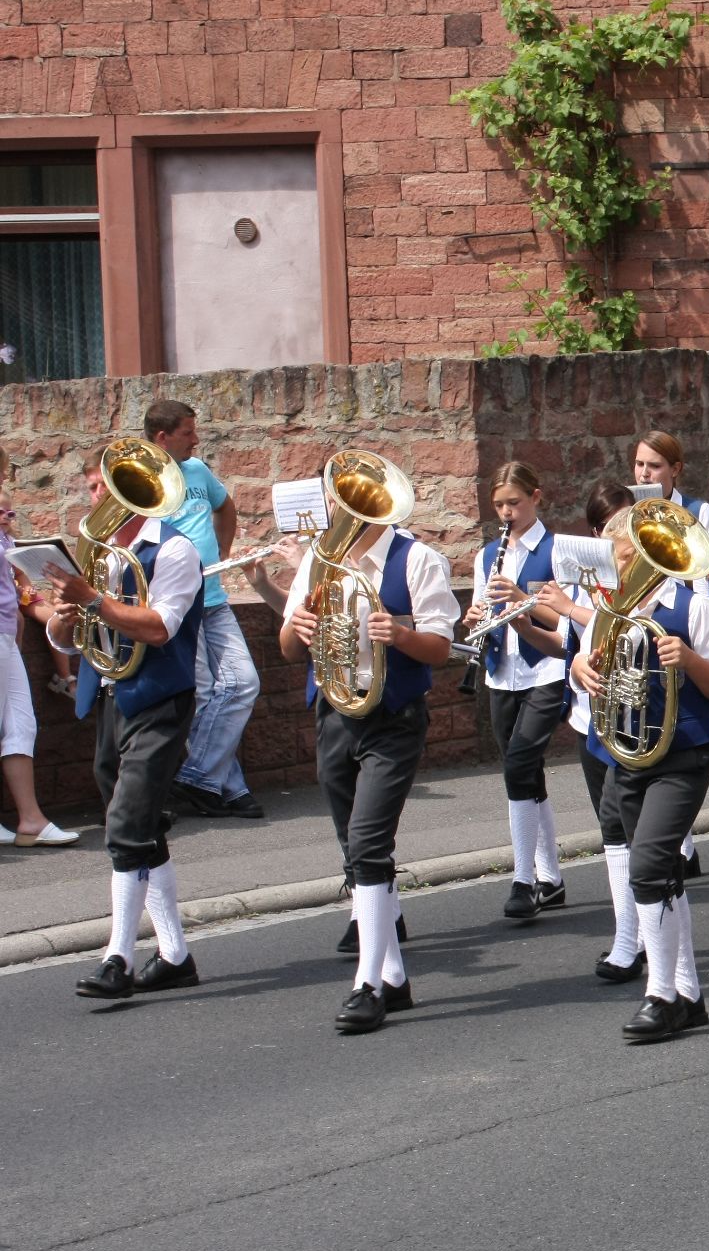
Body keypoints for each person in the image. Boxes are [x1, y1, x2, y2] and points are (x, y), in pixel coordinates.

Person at [277, 460, 459, 1033]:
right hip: (335, 712)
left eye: (348, 502)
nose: (338, 511)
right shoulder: (318, 559)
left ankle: (368, 983)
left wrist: (399, 634)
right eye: (336, 500)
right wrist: (299, 627)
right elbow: (287, 648)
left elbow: (441, 648)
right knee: (351, 846)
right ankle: (396, 977)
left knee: (368, 843)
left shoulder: (420, 560)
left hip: (393, 717)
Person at [571, 506, 709, 1042]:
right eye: (619, 557)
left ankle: (659, 994)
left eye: (622, 558)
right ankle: (687, 993)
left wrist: (688, 660)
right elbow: (584, 669)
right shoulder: (607, 610)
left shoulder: (694, 608)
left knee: (646, 868)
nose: (617, 569)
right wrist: (580, 670)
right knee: (661, 873)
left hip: (681, 754)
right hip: (625, 754)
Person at [54, 441, 204, 1000]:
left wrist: (91, 599)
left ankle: (116, 957)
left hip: (159, 698)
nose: (97, 497)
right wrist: (66, 616)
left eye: (104, 487)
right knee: (142, 825)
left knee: (125, 825)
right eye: (93, 487)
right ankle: (175, 955)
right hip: (110, 696)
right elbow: (61, 636)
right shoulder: (94, 553)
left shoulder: (174, 551)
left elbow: (160, 626)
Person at [532, 480, 646, 981]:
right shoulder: (581, 577)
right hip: (591, 718)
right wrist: (519, 613)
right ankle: (629, 936)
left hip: (639, 722)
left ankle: (646, 938)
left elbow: (618, 622)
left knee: (642, 832)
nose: (613, 536)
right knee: (612, 828)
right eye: (604, 528)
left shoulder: (645, 575)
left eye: (622, 525)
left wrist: (569, 608)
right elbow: (566, 642)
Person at [143, 401, 263, 821]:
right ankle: (229, 788)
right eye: (188, 432)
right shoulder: (144, 481)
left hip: (213, 596)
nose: (196, 439)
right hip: (177, 605)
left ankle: (196, 779)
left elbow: (224, 506)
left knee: (244, 683)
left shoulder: (198, 471)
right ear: (162, 437)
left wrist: (223, 553)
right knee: (206, 693)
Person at [461, 462, 570, 922]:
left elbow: (566, 619)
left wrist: (523, 602)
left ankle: (523, 879)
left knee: (520, 763)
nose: (506, 513)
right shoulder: (488, 554)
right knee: (524, 771)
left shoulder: (557, 550)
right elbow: (478, 608)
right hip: (501, 671)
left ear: (536, 498)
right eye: (500, 505)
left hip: (543, 669)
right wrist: (473, 618)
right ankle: (552, 877)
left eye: (515, 503)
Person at [0, 448, 78, 847]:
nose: (6, 518)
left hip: (6, 640)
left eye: (10, 514)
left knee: (20, 724)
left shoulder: (6, 541)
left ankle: (30, 819)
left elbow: (28, 599)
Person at [630, 430, 709, 530]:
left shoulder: (700, 513)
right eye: (639, 464)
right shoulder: (623, 513)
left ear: (675, 469)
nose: (644, 474)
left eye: (655, 466)